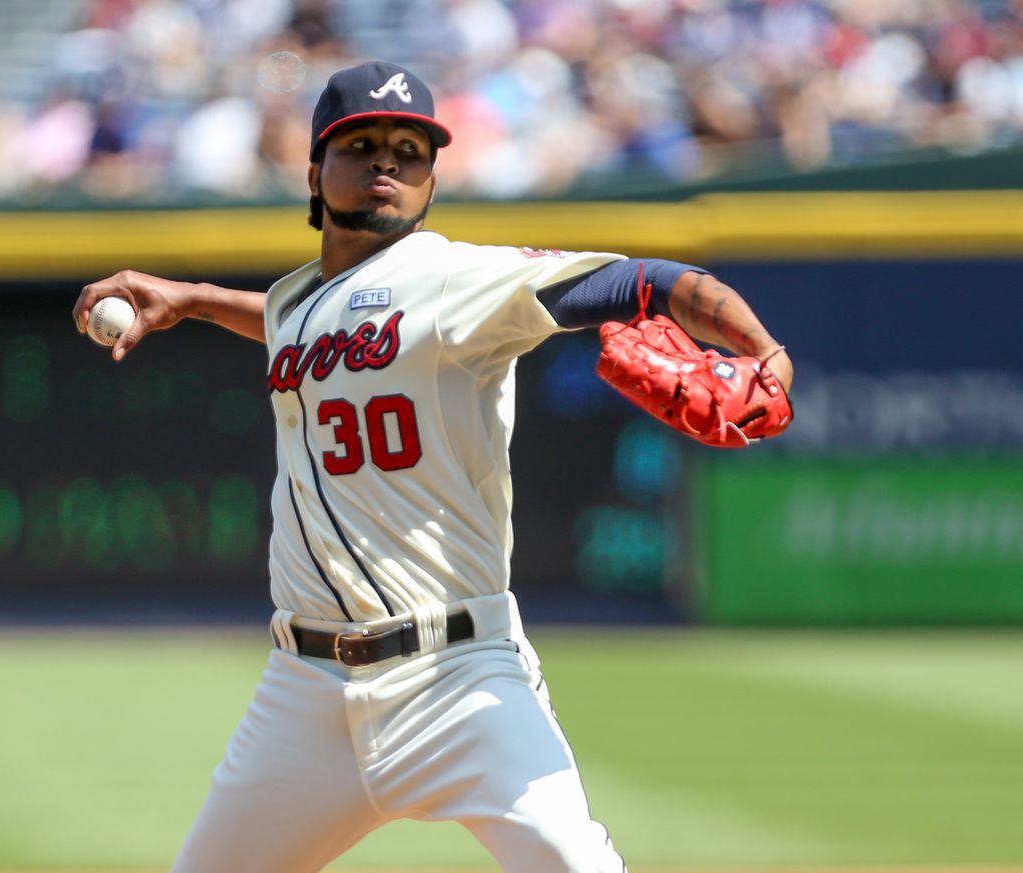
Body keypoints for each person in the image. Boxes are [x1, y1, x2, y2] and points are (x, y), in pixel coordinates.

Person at [74, 60, 792, 873]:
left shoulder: (459, 281)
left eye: (410, 150)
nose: (387, 162)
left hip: (459, 677)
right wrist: (198, 299)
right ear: (314, 171)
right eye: (363, 145)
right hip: (305, 695)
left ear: (430, 180)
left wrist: (762, 350)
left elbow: (647, 280)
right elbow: (295, 329)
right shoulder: (294, 300)